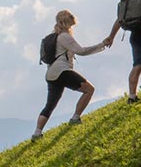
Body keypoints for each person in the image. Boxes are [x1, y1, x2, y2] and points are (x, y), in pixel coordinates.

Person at [33, 9, 112, 141]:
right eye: (70, 16)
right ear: (66, 20)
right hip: (62, 71)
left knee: (50, 105)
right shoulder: (64, 36)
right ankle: (75, 118)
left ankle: (37, 133)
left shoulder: (55, 36)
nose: (73, 17)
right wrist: (102, 45)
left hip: (51, 74)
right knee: (89, 90)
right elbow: (81, 51)